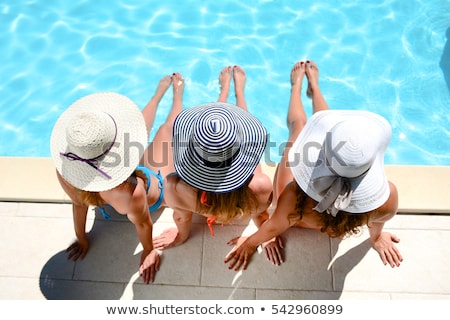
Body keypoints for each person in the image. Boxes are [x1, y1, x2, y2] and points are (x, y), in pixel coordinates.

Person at [225, 61, 403, 270]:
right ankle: (314, 88)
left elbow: (274, 226)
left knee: (299, 127)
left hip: (301, 213)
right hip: (327, 223)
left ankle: (297, 87)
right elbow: (378, 221)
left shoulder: (295, 196)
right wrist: (377, 237)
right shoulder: (387, 197)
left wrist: (250, 243)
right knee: (334, 130)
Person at [50, 72, 184, 284]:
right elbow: (144, 224)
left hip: (124, 183)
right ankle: (177, 95)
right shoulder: (129, 192)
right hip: (152, 187)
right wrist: (148, 250)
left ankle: (158, 95)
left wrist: (82, 238)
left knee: (144, 129)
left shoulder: (66, 173)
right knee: (166, 130)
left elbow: (78, 204)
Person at [153, 66, 275, 252]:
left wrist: (181, 236)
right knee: (229, 131)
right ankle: (237, 92)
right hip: (242, 196)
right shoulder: (261, 186)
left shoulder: (174, 186)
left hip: (197, 198)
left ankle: (223, 92)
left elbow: (181, 217)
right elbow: (260, 214)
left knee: (210, 129)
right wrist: (264, 237)